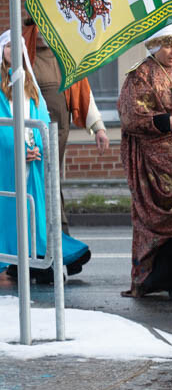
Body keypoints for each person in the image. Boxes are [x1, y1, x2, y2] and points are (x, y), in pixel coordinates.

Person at [117, 22, 172, 301]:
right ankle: (169, 280)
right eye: (167, 45)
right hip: (156, 163)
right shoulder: (140, 75)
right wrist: (169, 121)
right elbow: (130, 115)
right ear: (154, 46)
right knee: (164, 216)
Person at [0, 30, 90, 281]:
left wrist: (37, 146)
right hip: (8, 158)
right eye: (8, 47)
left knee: (34, 209)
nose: (12, 51)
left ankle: (39, 257)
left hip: (32, 157)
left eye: (17, 47)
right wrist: (16, 148)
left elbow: (40, 117)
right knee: (11, 208)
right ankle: (18, 259)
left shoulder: (28, 81)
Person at [22, 20, 110, 235]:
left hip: (59, 130)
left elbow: (83, 92)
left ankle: (57, 232)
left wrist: (98, 127)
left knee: (51, 175)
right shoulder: (23, 57)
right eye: (40, 26)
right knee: (37, 177)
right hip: (31, 132)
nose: (44, 32)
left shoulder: (66, 57)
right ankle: (49, 231)